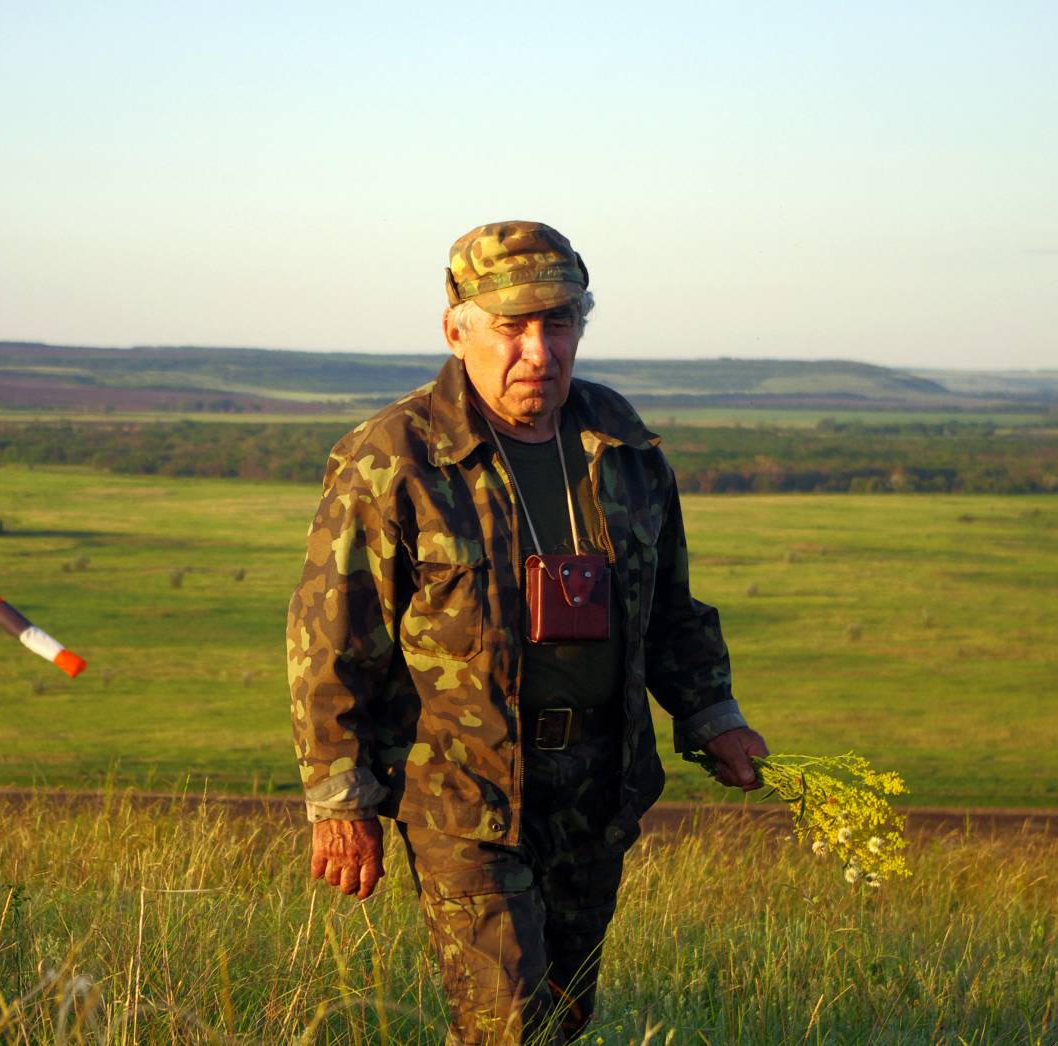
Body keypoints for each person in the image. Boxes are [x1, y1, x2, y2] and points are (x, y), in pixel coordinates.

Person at [286, 220, 768, 1043]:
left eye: (560, 323)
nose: (539, 352)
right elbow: (331, 638)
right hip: (463, 789)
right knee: (506, 1026)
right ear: (457, 330)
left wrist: (712, 714)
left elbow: (671, 606)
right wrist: (339, 798)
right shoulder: (394, 458)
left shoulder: (622, 443)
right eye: (512, 327)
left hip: (596, 785)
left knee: (563, 1017)